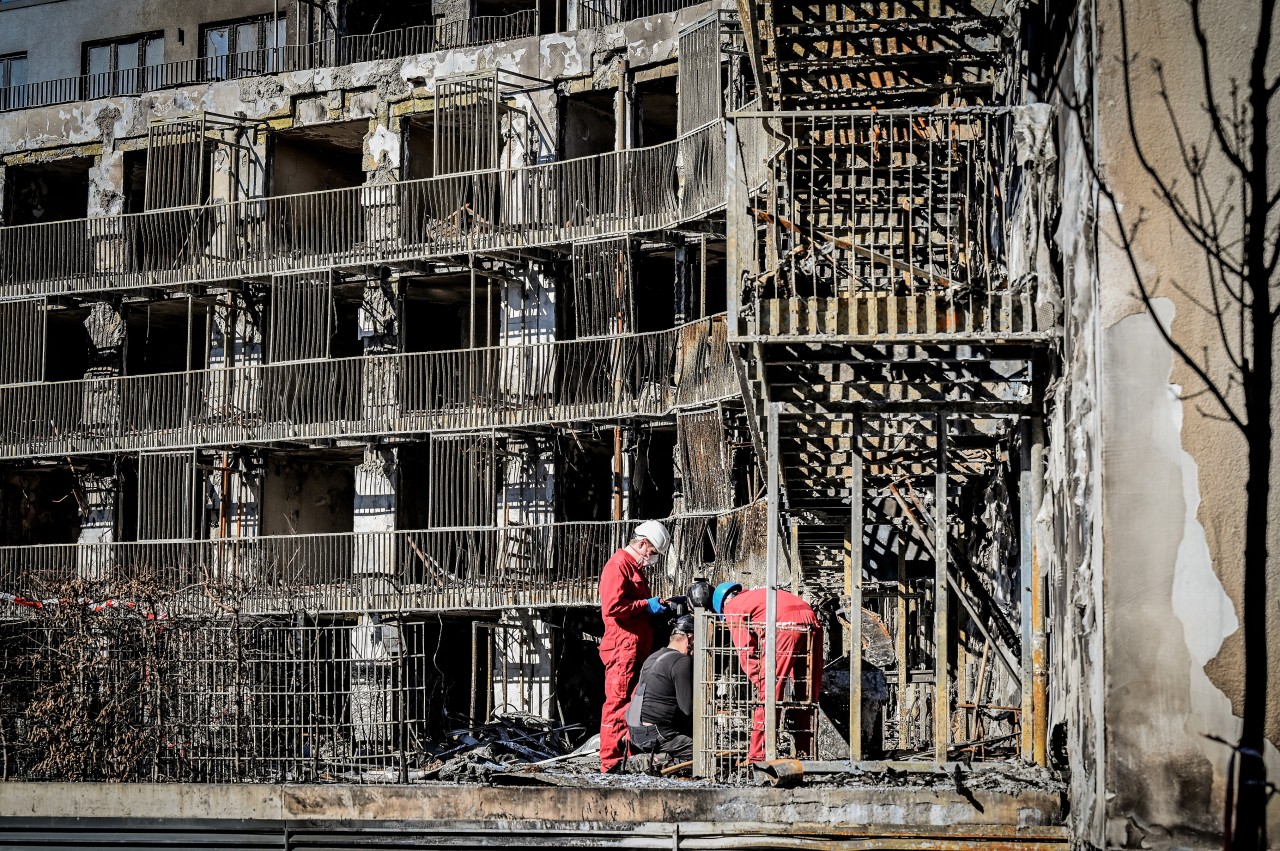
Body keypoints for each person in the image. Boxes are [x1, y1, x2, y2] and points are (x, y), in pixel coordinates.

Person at [712, 581, 823, 762]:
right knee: (808, 692)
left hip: (786, 624)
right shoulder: (757, 596)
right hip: (811, 619)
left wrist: (760, 681)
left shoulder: (732, 607)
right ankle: (806, 752)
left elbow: (745, 650)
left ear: (722, 605)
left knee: (769, 695)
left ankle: (758, 756)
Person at [597, 519, 671, 773]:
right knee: (617, 704)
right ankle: (610, 761)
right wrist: (645, 606)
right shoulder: (618, 566)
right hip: (621, 649)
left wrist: (655, 607)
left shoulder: (633, 568)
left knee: (631, 705)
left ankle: (625, 755)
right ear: (642, 544)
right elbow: (613, 607)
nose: (652, 559)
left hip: (633, 648)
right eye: (652, 553)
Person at [626, 613, 695, 765]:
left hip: (634, 731)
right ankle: (656, 762)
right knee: (703, 753)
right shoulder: (682, 661)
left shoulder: (653, 656)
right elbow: (688, 708)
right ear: (690, 638)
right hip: (655, 734)